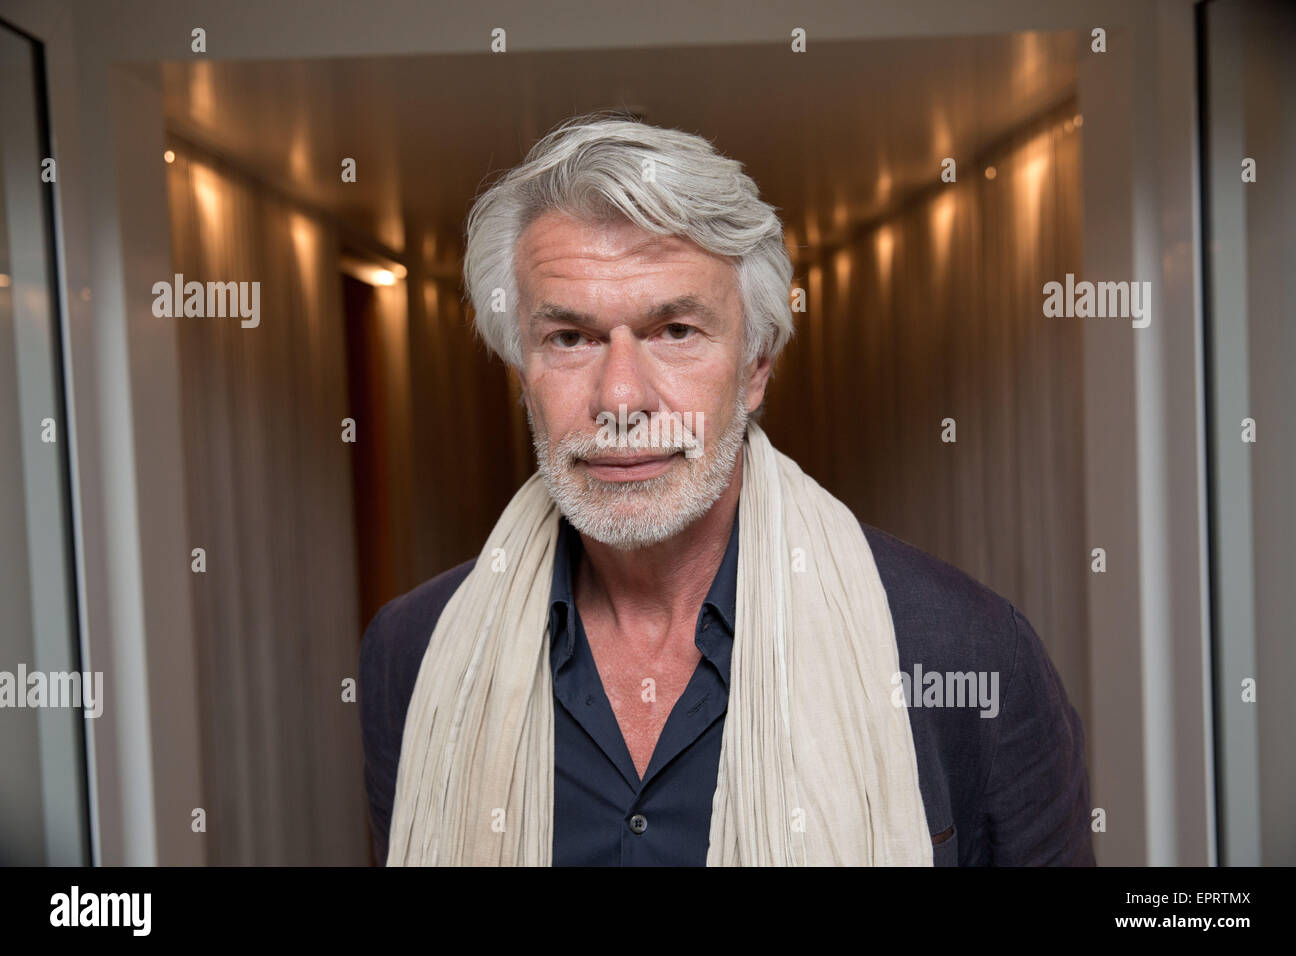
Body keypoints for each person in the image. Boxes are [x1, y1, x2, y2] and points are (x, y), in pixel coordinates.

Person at [360, 110, 1095, 866]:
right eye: (569, 338)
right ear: (522, 377)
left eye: (675, 330)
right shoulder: (415, 654)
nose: (620, 400)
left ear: (756, 367)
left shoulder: (960, 650)